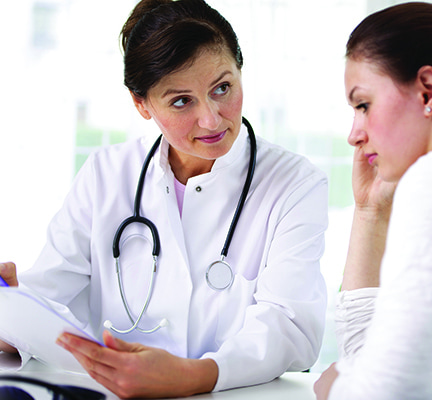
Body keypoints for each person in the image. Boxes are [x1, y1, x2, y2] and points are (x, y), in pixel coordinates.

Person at [0, 0, 328, 398]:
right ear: (141, 104)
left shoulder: (294, 182)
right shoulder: (106, 174)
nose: (211, 119)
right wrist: (12, 320)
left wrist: (194, 375)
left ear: (241, 70)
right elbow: (48, 293)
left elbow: (290, 327)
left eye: (222, 88)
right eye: (181, 101)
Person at [314, 2, 432, 399]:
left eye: (363, 105)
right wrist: (370, 212)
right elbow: (374, 357)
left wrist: (336, 386)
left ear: (429, 92)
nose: (354, 133)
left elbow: (390, 391)